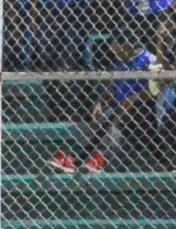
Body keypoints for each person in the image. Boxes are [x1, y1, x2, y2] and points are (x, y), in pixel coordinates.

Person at [45, 26, 162, 174]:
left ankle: (99, 159)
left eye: (117, 47)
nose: (114, 51)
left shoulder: (149, 59)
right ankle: (71, 159)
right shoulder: (121, 61)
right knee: (100, 119)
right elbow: (113, 88)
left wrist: (132, 99)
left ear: (128, 46)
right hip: (120, 106)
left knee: (116, 122)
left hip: (142, 109)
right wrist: (100, 101)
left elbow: (153, 89)